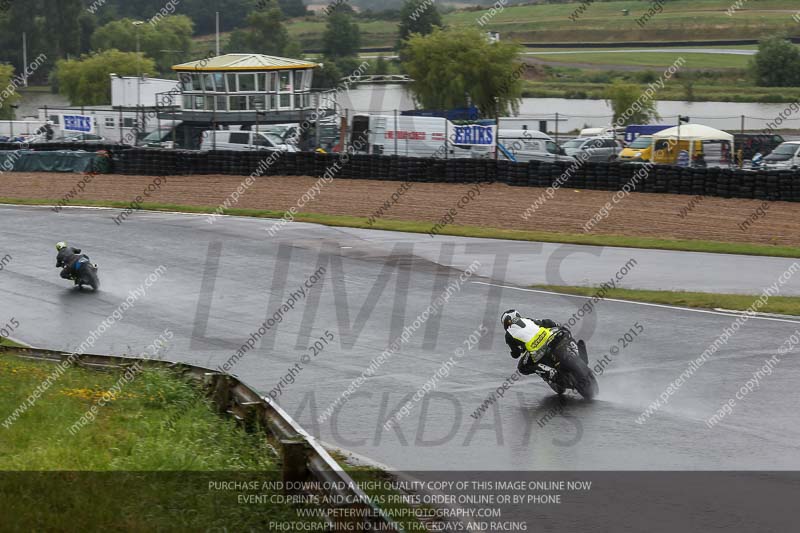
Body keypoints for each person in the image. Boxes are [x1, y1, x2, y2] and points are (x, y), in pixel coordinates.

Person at [502, 309, 585, 394]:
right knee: (564, 331)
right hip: (550, 337)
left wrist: (515, 352)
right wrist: (556, 325)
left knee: (522, 367)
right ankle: (577, 351)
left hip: (538, 350)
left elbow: (515, 353)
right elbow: (545, 322)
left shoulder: (508, 334)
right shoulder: (527, 320)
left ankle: (549, 372)